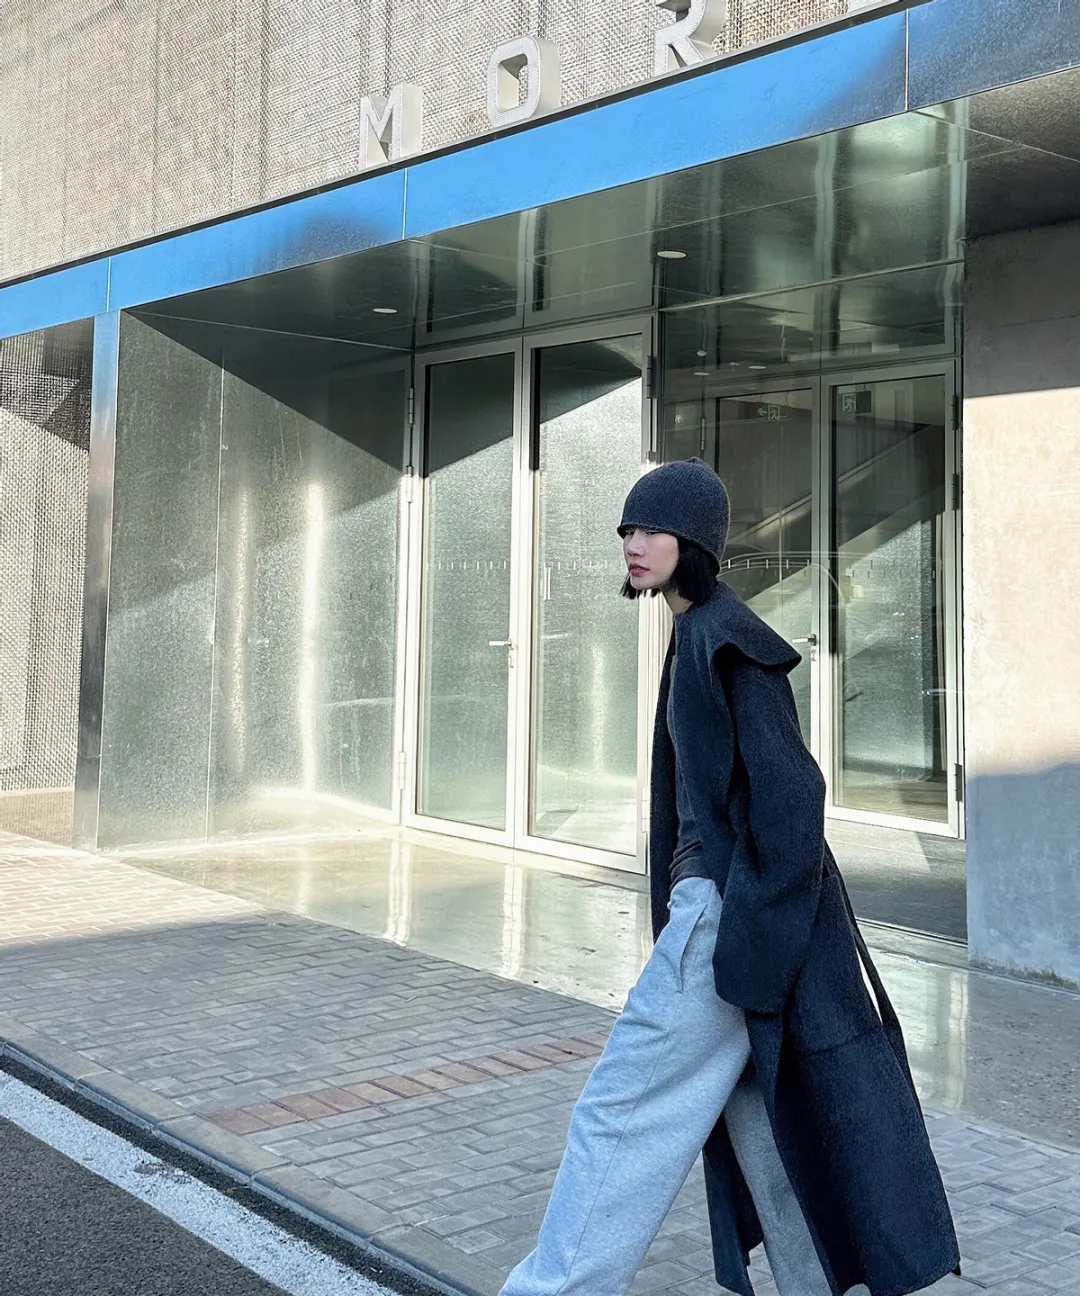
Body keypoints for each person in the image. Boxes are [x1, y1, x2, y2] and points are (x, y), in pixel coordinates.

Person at [498, 458, 960, 1296]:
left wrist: (746, 945)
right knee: (766, 1130)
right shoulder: (695, 632)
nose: (634, 543)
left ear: (695, 541)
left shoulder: (733, 642)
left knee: (621, 1111)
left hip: (724, 927)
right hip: (728, 922)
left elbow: (794, 801)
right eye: (627, 529)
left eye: (652, 529)